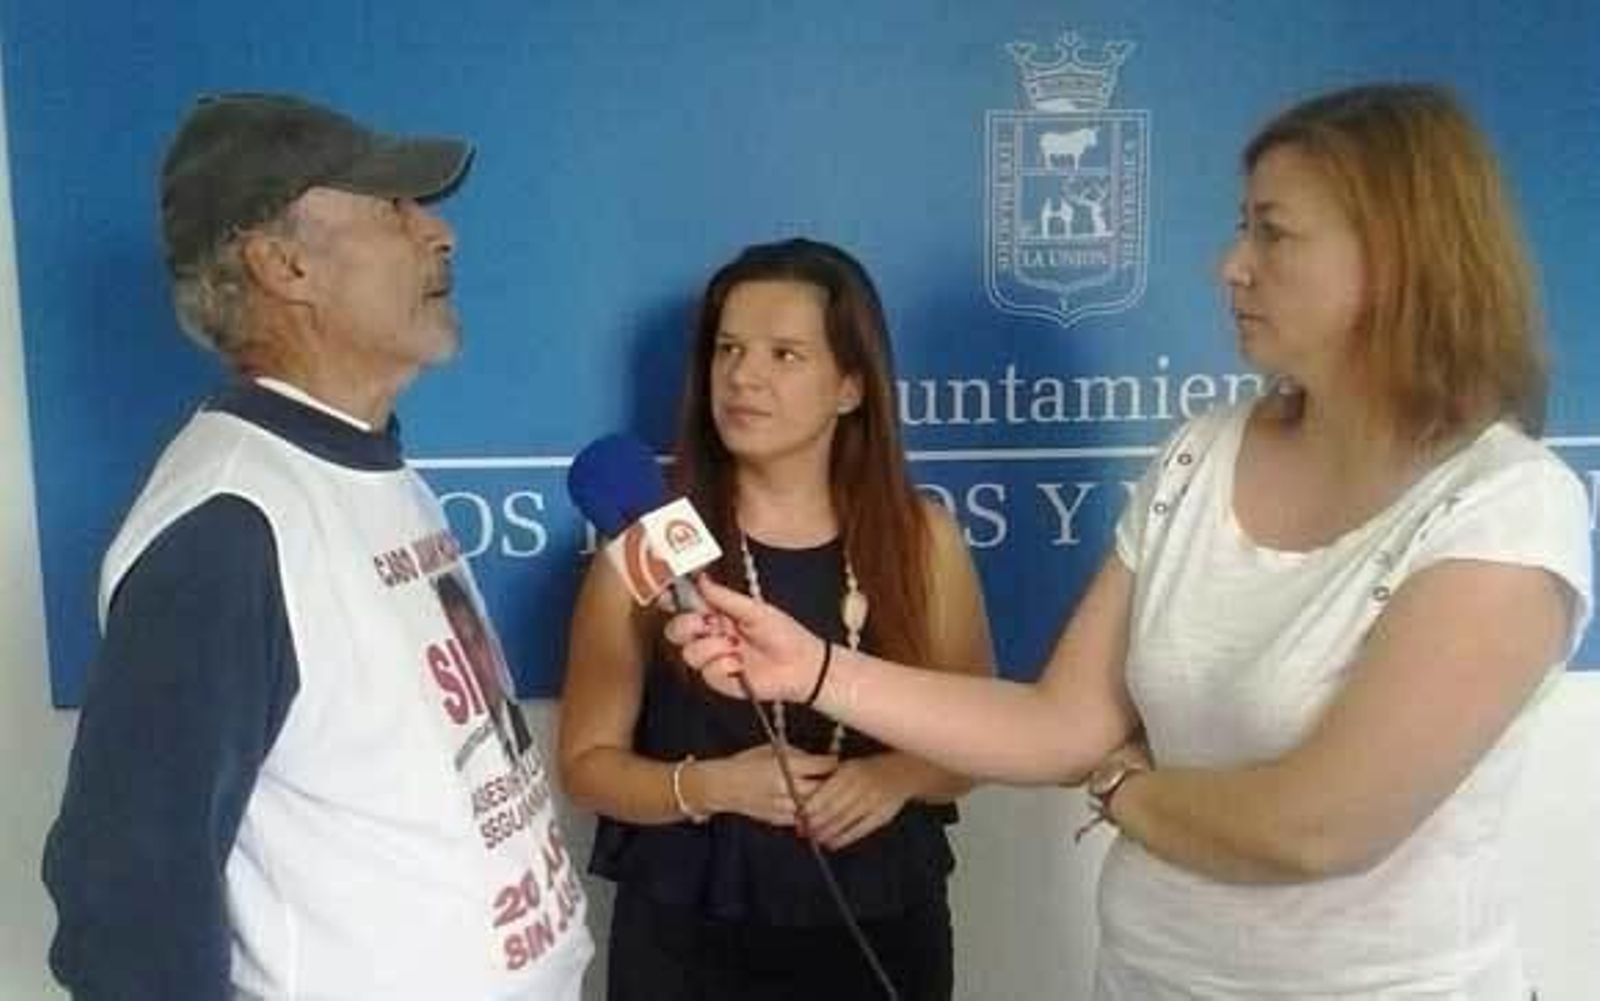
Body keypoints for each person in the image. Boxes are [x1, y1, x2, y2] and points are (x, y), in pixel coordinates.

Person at [669, 85, 1592, 999]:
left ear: (1398, 256)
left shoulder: (1504, 505)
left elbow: (1319, 825)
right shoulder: (1202, 453)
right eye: (1242, 228)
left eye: (1273, 232)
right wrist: (815, 668)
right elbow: (1058, 722)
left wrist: (1123, 791)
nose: (1231, 265)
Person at [42, 92, 592, 999]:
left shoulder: (364, 463)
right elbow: (122, 905)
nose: (439, 232)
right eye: (392, 207)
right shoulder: (226, 528)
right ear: (282, 262)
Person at [558, 237, 994, 1000]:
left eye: (784, 354)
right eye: (728, 348)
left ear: (851, 386)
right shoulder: (648, 542)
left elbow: (982, 735)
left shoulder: (925, 540)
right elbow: (587, 764)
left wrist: (893, 777)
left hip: (881, 920)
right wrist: (713, 787)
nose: (743, 376)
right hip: (684, 933)